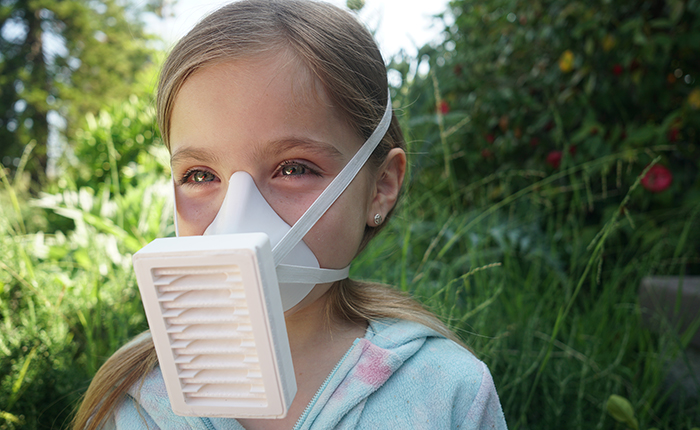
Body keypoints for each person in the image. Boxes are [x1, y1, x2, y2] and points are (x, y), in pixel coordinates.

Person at [72, 1, 508, 429]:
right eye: (201, 174)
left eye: (294, 168)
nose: (236, 217)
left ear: (380, 188)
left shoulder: (447, 392)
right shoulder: (134, 397)